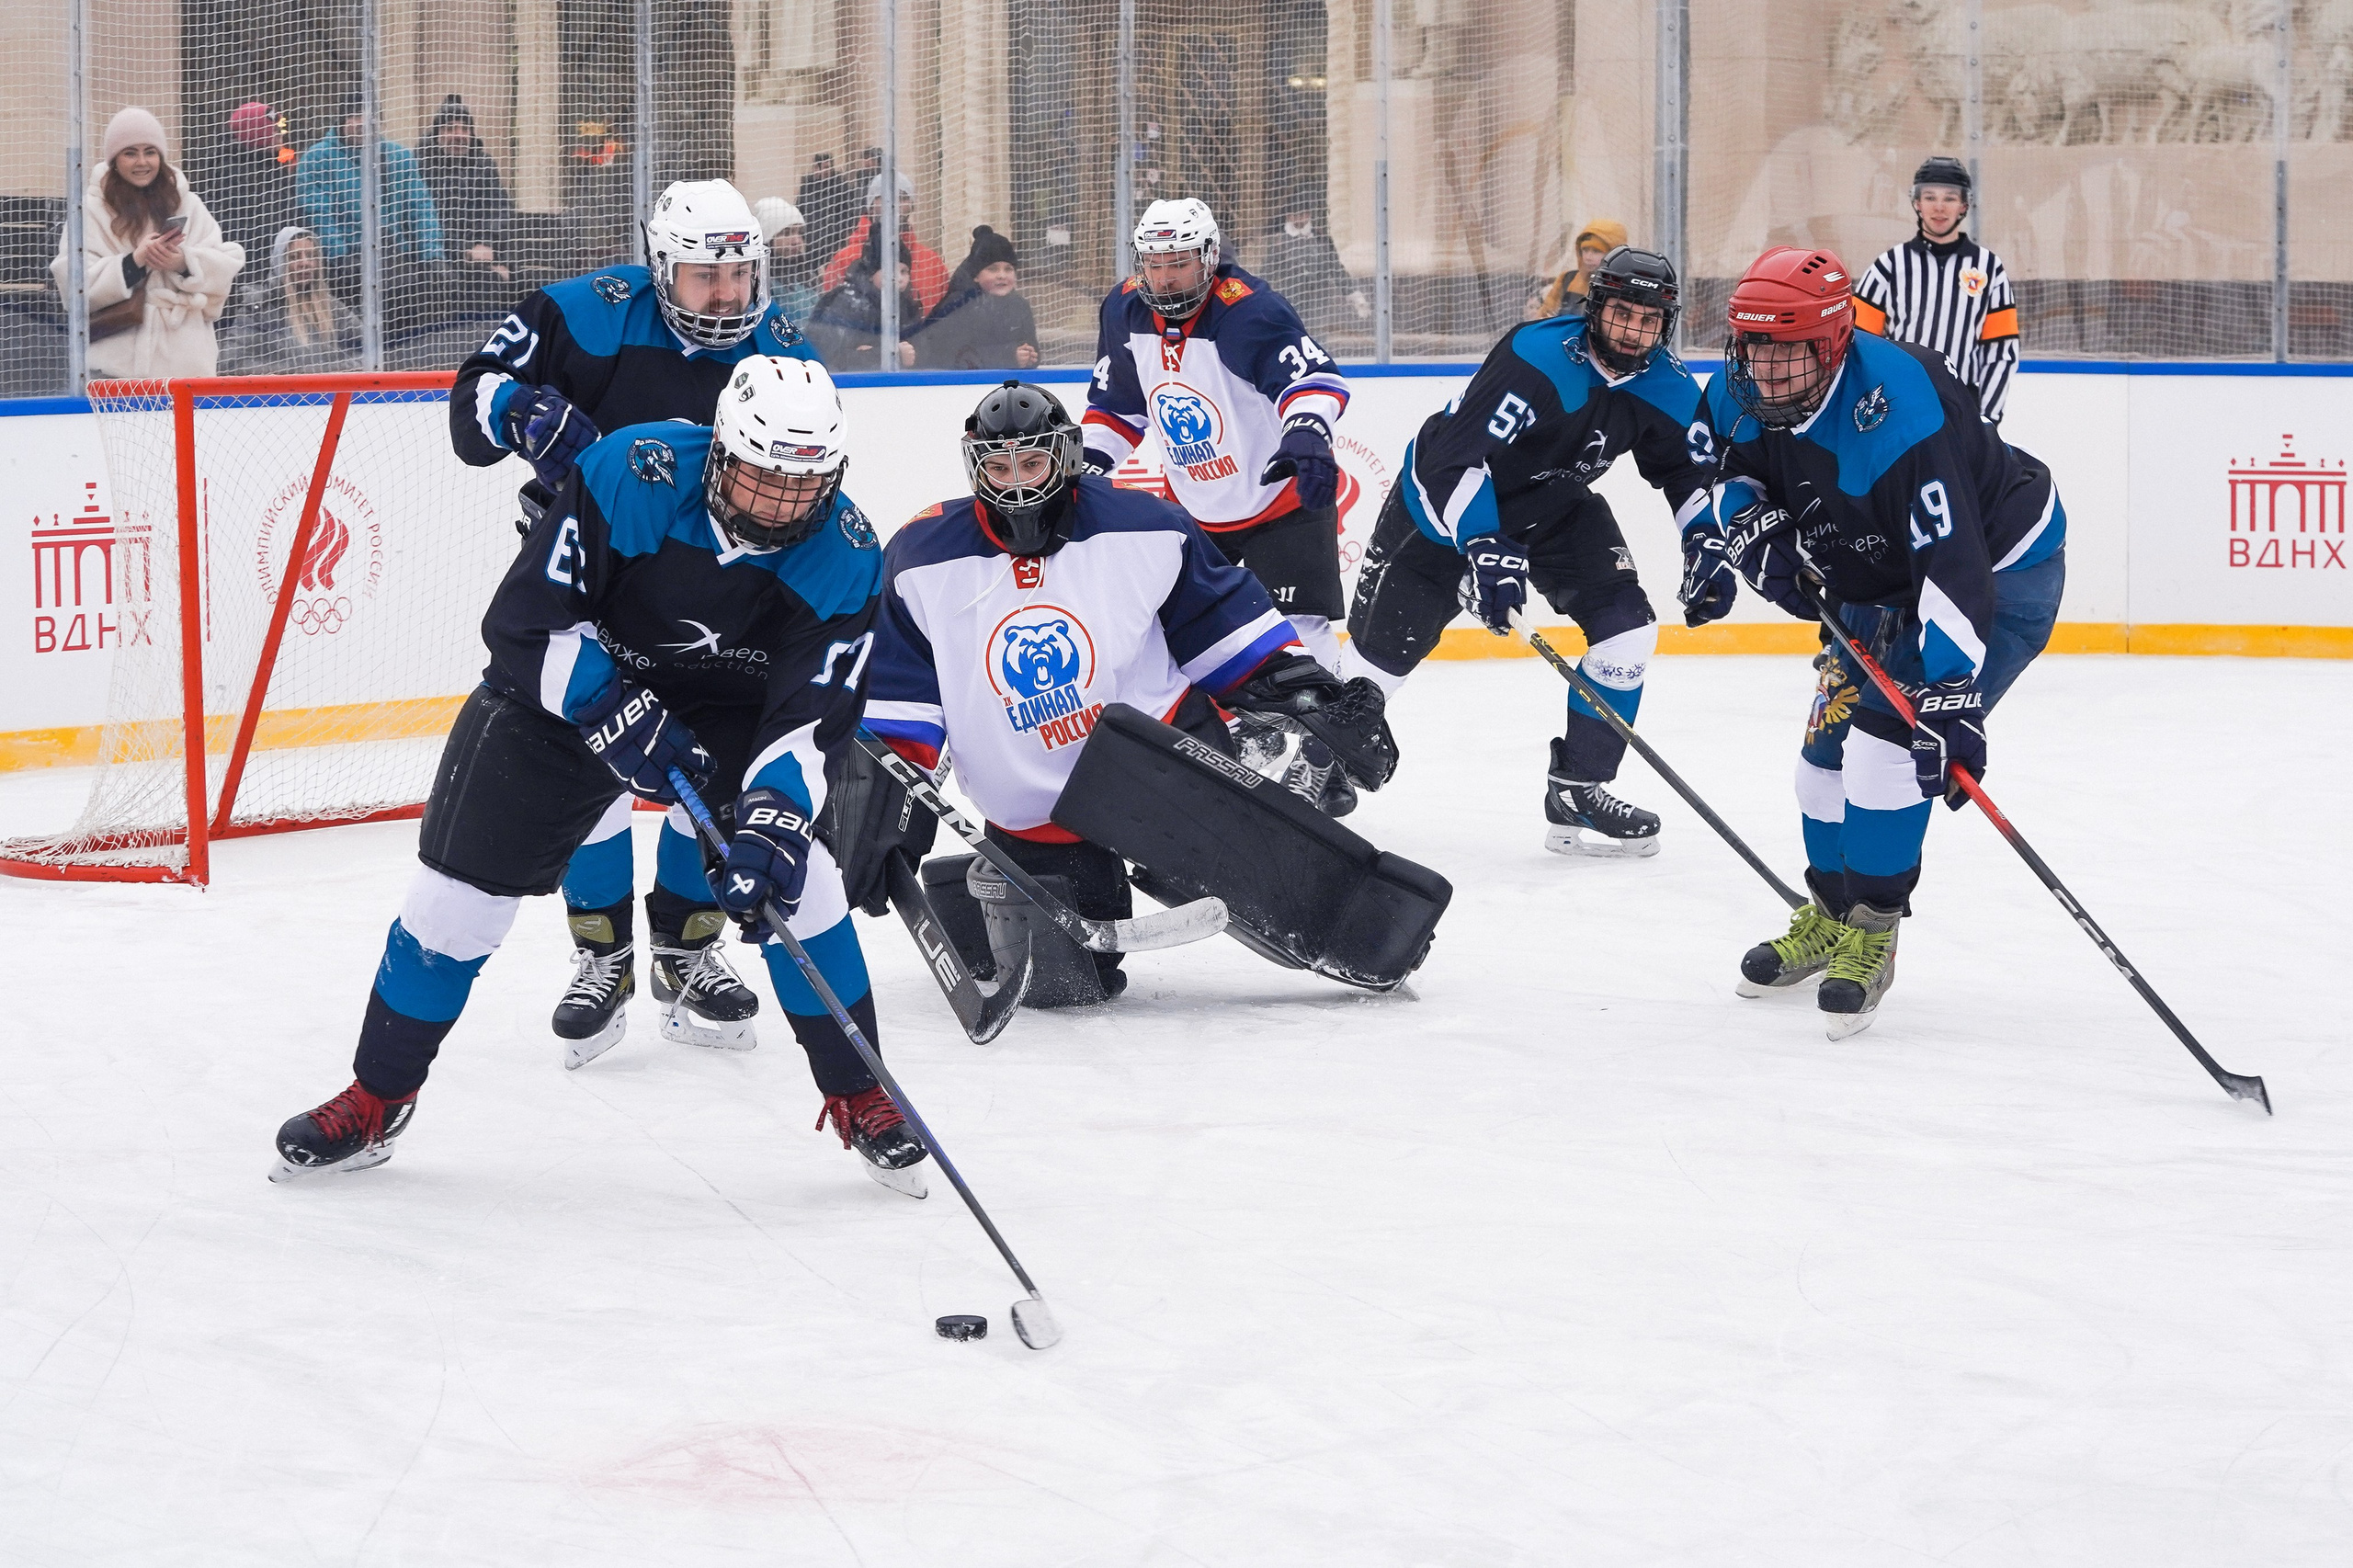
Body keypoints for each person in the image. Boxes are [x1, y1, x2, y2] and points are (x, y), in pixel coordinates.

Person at [271, 358, 928, 1191]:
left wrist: (773, 813)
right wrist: (608, 705)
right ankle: (377, 1097)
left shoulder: (845, 554)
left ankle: (861, 1092)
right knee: (453, 907)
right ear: (721, 451)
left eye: (802, 485)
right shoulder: (632, 472)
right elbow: (524, 623)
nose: (777, 504)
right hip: (568, 695)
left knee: (807, 886)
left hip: (731, 711)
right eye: (761, 476)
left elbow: (807, 721)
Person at [857, 382, 1403, 1008]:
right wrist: (884, 817)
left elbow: (1227, 627)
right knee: (1072, 988)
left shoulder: (1146, 525)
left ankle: (1370, 929)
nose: (1016, 484)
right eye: (999, 467)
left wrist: (1313, 698)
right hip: (1029, 791)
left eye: (1032, 463)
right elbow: (902, 707)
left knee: (1253, 874)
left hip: (1156, 756)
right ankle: (984, 884)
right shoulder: (919, 557)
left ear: (1063, 457)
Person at [449, 178, 822, 1063]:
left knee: (717, 759)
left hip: (719, 599)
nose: (728, 295)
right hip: (588, 585)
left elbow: (816, 474)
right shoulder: (588, 312)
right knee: (597, 762)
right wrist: (522, 412)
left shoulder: (784, 348)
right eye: (703, 277)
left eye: (741, 274)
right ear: (660, 268)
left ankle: (688, 949)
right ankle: (602, 953)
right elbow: (473, 396)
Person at [1699, 245, 2065, 1038]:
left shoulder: (1901, 406)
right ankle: (1830, 914)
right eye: (1752, 347)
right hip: (1874, 573)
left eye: (1785, 352)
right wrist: (1751, 526)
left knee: (1883, 749)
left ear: (1832, 344)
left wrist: (1952, 698)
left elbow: (1954, 564)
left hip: (1997, 576)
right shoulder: (1740, 385)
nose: (1764, 371)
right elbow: (1725, 467)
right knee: (1820, 762)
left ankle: (1872, 927)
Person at [1343, 246, 1713, 858]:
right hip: (1439, 513)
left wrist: (1705, 540)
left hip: (1556, 509)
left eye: (1650, 320)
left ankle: (1579, 788)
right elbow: (1451, 461)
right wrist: (1485, 544)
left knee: (1628, 634)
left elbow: (1687, 471)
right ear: (1595, 308)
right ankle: (1313, 765)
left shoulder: (1667, 386)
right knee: (1375, 672)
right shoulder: (1534, 357)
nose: (1635, 331)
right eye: (1624, 313)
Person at [1079, 198, 1365, 811]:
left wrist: (1307, 431)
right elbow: (1118, 405)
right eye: (1153, 264)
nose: (1164, 278)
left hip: (1281, 498)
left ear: (1208, 258)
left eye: (1178, 263)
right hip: (1199, 513)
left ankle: (1323, 760)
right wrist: (1089, 467)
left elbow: (1313, 379)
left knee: (1304, 632)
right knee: (1185, 635)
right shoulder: (1125, 309)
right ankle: (1242, 732)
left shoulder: (1247, 311)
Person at [52, 107, 245, 378]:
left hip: (187, 363)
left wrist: (183, 263)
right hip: (117, 368)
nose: (142, 162)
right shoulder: (90, 211)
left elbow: (224, 268)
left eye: (150, 151)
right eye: (130, 153)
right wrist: (133, 262)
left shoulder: (188, 203)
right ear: (114, 160)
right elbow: (73, 283)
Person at [1853, 156, 2019, 424]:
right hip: (1900, 402)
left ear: (1964, 205)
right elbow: (1857, 342)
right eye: (1930, 197)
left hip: (1962, 407)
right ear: (1917, 203)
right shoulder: (1890, 265)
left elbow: (2001, 351)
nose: (1939, 207)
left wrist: (1989, 417)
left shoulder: (1989, 268)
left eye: (1950, 198)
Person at [295, 97, 446, 327]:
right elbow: (318, 212)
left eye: (369, 116)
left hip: (396, 264)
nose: (362, 123)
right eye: (355, 115)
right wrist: (338, 255)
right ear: (342, 120)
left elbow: (421, 207)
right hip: (346, 268)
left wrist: (432, 254)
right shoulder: (317, 159)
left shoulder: (400, 157)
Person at [416, 96, 516, 304]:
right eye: (451, 128)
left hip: (481, 256)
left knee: (495, 283)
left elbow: (500, 210)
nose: (458, 135)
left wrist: (489, 247)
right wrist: (464, 250)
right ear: (437, 134)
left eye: (464, 129)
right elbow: (423, 220)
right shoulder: (420, 166)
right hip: (436, 258)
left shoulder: (484, 165)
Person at [221, 226, 361, 374]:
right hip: (276, 395)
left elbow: (371, 349)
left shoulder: (331, 306)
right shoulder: (259, 308)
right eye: (295, 257)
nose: (305, 263)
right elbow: (230, 364)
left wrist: (334, 370)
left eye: (311, 255)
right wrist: (294, 374)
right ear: (280, 262)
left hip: (327, 395)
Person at [818, 170, 949, 312]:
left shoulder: (932, 263)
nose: (894, 203)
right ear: (871, 204)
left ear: (912, 205)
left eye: (903, 197)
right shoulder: (845, 259)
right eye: (886, 197)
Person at [911, 226, 1038, 369]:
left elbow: (1032, 349)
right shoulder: (958, 305)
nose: (1002, 275)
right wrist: (1008, 356)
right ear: (976, 276)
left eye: (1008, 269)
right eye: (993, 269)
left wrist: (1030, 356)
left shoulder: (1019, 305)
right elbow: (950, 356)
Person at [802, 229, 925, 371]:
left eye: (904, 271)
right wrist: (888, 354)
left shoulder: (908, 306)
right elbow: (832, 358)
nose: (899, 278)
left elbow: (920, 351)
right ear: (871, 274)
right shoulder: (848, 303)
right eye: (891, 270)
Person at [211, 102, 299, 275]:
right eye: (273, 129)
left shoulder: (274, 172)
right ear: (254, 133)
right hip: (248, 274)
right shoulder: (229, 176)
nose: (280, 135)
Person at [1256, 207, 1366, 336]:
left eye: (1302, 214)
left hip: (1317, 304)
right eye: (1294, 214)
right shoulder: (1278, 242)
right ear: (1288, 216)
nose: (1299, 218)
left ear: (1308, 214)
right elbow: (1267, 272)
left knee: (1316, 341)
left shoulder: (1321, 239)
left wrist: (1355, 296)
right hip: (1289, 302)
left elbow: (1336, 268)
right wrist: (1260, 297)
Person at [1525, 218, 1627, 322]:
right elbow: (1544, 314)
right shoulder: (1567, 279)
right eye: (1585, 250)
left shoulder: (1622, 287)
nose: (1588, 257)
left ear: (1613, 254)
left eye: (1596, 251)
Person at [754, 198, 820, 323]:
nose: (796, 241)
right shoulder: (761, 284)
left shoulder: (806, 275)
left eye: (800, 233)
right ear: (768, 239)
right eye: (786, 233)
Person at [795, 152, 858, 265]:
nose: (827, 171)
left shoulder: (841, 187)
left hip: (834, 243)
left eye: (829, 167)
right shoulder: (806, 188)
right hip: (812, 244)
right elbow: (800, 211)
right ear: (816, 168)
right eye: (824, 167)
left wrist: (842, 235)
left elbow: (849, 214)